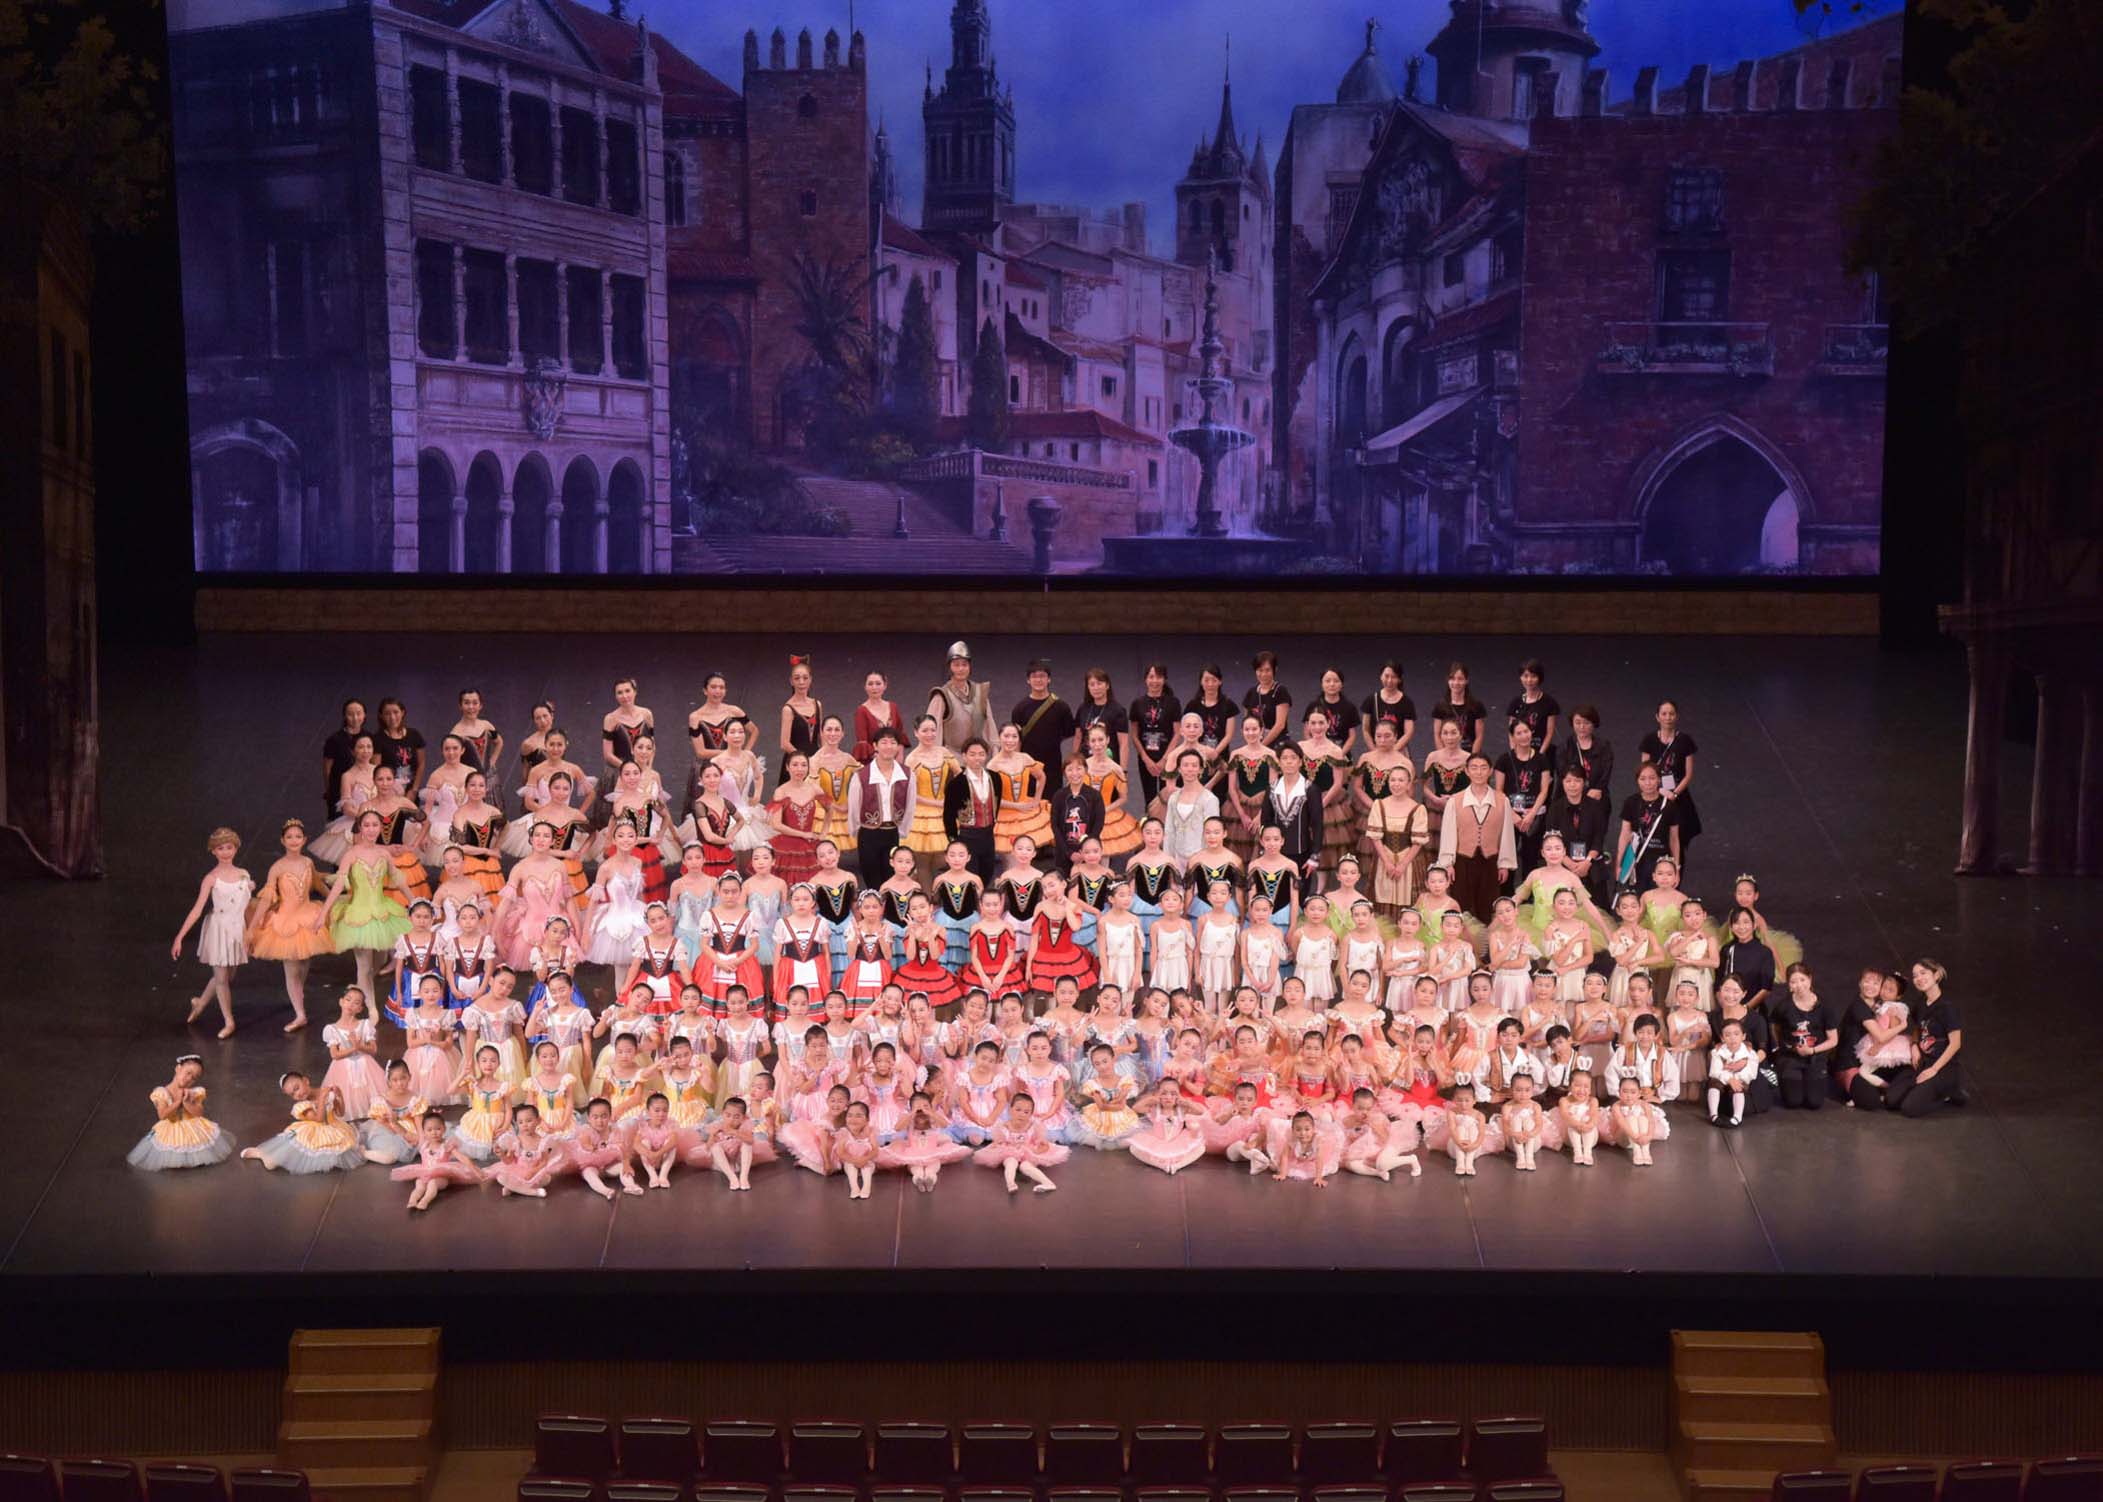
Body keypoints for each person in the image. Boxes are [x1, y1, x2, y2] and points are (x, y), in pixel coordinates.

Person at [171, 826, 252, 1040]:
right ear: (213, 851)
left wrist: (251, 932)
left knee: (227, 976)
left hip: (237, 929)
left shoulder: (243, 875)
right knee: (222, 978)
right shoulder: (211, 878)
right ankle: (229, 1021)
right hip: (219, 929)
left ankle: (200, 1002)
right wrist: (180, 937)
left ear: (236, 848)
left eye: (229, 847)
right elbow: (197, 909)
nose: (225, 852)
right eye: (220, 848)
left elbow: (246, 906)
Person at [1435, 754, 1518, 923]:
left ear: (1490, 771)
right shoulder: (1455, 801)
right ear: (1466, 771)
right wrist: (1448, 863)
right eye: (1474, 768)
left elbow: (1506, 834)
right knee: (1462, 906)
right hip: (1463, 861)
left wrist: (1504, 863)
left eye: (1483, 768)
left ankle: (1487, 939)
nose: (1479, 772)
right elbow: (1449, 834)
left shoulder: (1502, 800)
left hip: (1490, 861)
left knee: (1488, 907)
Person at [1884, 959, 1965, 1117]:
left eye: (1923, 973)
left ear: (1936, 975)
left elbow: (1956, 1044)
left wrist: (1934, 1069)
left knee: (1909, 1108)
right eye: (1915, 976)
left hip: (1943, 1066)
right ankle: (1924, 1091)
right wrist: (1914, 1045)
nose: (1918, 978)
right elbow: (1917, 1027)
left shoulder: (1947, 1007)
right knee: (1891, 1100)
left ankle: (1950, 1092)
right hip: (1923, 1062)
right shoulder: (1921, 1003)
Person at [242, 1071, 365, 1174]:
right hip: (312, 1131)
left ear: (305, 1081)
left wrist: (339, 1096)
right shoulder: (303, 1105)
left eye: (297, 1088)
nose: (298, 1094)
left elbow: (340, 1113)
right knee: (274, 1162)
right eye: (293, 1094)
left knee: (340, 1151)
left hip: (333, 1127)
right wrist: (322, 1099)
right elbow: (319, 1119)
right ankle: (261, 1153)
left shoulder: (324, 1092)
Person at [128, 1054, 235, 1171]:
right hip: (172, 1127)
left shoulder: (194, 1092)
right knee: (172, 1146)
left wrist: (187, 1102)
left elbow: (199, 1113)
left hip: (192, 1127)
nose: (189, 1079)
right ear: (178, 1068)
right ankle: (177, 1158)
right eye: (188, 1073)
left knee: (196, 1142)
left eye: (194, 1078)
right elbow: (162, 1115)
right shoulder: (162, 1092)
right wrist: (177, 1102)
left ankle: (193, 1158)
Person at [1638, 700, 1703, 872]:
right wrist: (1658, 790)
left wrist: (1674, 793)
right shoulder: (1649, 740)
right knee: (1653, 837)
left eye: (1671, 714)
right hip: (1654, 795)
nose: (1668, 717)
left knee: (1678, 839)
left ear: (1677, 716)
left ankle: (1676, 873)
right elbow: (1643, 771)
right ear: (1657, 717)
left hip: (1678, 798)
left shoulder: (1685, 741)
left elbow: (1688, 774)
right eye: (1664, 714)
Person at [845, 726, 911, 887]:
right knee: (872, 880)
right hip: (868, 834)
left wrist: (903, 831)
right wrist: (855, 830)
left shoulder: (907, 774)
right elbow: (854, 807)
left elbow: (910, 805)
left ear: (898, 747)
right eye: (884, 742)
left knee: (892, 880)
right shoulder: (861, 775)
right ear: (875, 745)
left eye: (893, 743)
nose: (889, 747)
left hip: (893, 832)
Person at [1539, 766, 1610, 909]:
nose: (1572, 785)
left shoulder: (1596, 807)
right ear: (1562, 783)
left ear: (1584, 783)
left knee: (1598, 908)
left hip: (1591, 864)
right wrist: (1568, 863)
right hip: (1563, 864)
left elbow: (1599, 838)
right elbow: (1551, 839)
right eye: (1568, 781)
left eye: (1577, 781)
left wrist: (1587, 861)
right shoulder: (1555, 808)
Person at [1493, 718, 1554, 875]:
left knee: (1531, 859)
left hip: (1534, 816)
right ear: (1512, 737)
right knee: (1508, 859)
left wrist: (1532, 814)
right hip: (1510, 816)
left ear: (1531, 732)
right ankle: (1507, 890)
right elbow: (1498, 791)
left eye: (1526, 731)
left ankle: (1529, 889)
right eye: (1519, 733)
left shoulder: (1542, 759)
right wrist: (1513, 815)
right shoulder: (1504, 760)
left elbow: (1544, 790)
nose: (1524, 736)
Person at [1771, 962, 1836, 1110]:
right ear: (1789, 985)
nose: (1799, 985)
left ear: (1810, 979)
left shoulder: (1824, 1006)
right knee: (1793, 1101)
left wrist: (1812, 1050)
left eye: (1802, 980)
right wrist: (1785, 1046)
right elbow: (1775, 1027)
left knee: (1814, 1102)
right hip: (1790, 1058)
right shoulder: (1783, 1006)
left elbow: (1833, 1040)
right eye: (1793, 982)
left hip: (1815, 1057)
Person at [942, 737, 1001, 881]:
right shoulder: (956, 784)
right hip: (967, 836)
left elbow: (997, 805)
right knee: (970, 878)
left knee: (988, 874)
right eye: (972, 754)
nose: (977, 758)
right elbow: (948, 816)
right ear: (964, 756)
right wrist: (954, 840)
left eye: (981, 754)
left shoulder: (995, 778)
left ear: (986, 755)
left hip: (988, 835)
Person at [1615, 763, 1680, 893]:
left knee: (1658, 898)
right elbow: (1624, 834)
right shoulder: (1631, 802)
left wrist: (1676, 868)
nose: (1648, 783)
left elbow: (1674, 839)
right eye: (1643, 779)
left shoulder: (1669, 805)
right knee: (1637, 898)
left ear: (1659, 780)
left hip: (1660, 861)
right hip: (1636, 860)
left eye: (1652, 778)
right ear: (1637, 781)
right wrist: (1619, 864)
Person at [1128, 663, 1183, 809]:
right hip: (1146, 759)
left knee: (1169, 798)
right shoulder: (1137, 703)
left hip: (1169, 758)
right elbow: (1134, 734)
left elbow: (1177, 732)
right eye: (1151, 677)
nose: (1155, 681)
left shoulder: (1173, 702)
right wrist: (1146, 759)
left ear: (1164, 679)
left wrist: (1165, 759)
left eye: (1159, 677)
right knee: (1150, 799)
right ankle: (1151, 823)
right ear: (1145, 679)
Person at [928, 641, 995, 756]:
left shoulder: (980, 693)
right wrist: (935, 757)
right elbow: (932, 730)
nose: (961, 669)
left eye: (964, 664)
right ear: (949, 667)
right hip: (951, 756)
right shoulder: (942, 696)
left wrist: (995, 751)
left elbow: (989, 726)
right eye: (956, 665)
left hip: (976, 757)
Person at [1047, 755, 1106, 874]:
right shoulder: (1059, 796)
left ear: (1086, 770)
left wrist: (1085, 850)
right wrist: (1069, 853)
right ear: (1064, 772)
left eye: (1078, 769)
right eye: (1070, 769)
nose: (1074, 773)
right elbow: (1055, 826)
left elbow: (1098, 824)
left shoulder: (1095, 796)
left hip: (1089, 854)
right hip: (1064, 852)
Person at [321, 699, 368, 825]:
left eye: (359, 713)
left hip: (363, 791)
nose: (355, 718)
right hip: (339, 790)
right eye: (350, 714)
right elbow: (327, 768)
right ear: (344, 716)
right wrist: (329, 790)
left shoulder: (369, 737)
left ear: (364, 715)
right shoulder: (334, 739)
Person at [1561, 704, 1613, 807]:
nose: (1582, 727)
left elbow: (1606, 772)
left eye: (1586, 723)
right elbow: (1562, 773)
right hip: (1571, 796)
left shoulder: (1604, 746)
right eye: (1578, 722)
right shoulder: (1565, 747)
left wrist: (1598, 789)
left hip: (1596, 795)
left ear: (1593, 724)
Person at [1360, 660, 1416, 752]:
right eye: (1386, 676)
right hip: (1376, 749)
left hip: (1399, 750)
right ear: (1381, 677)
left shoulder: (1407, 703)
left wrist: (1393, 751)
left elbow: (1408, 732)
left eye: (1394, 677)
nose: (1389, 680)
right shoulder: (1371, 700)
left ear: (1399, 679)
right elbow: (1365, 729)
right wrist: (1374, 751)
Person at [1434, 665, 1486, 757]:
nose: (1456, 683)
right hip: (1447, 754)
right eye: (1452, 679)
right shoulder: (1440, 706)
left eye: (1460, 679)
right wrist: (1444, 757)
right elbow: (1437, 735)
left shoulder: (1476, 706)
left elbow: (1479, 736)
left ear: (1466, 680)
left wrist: (1472, 758)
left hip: (1469, 753)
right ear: (1448, 680)